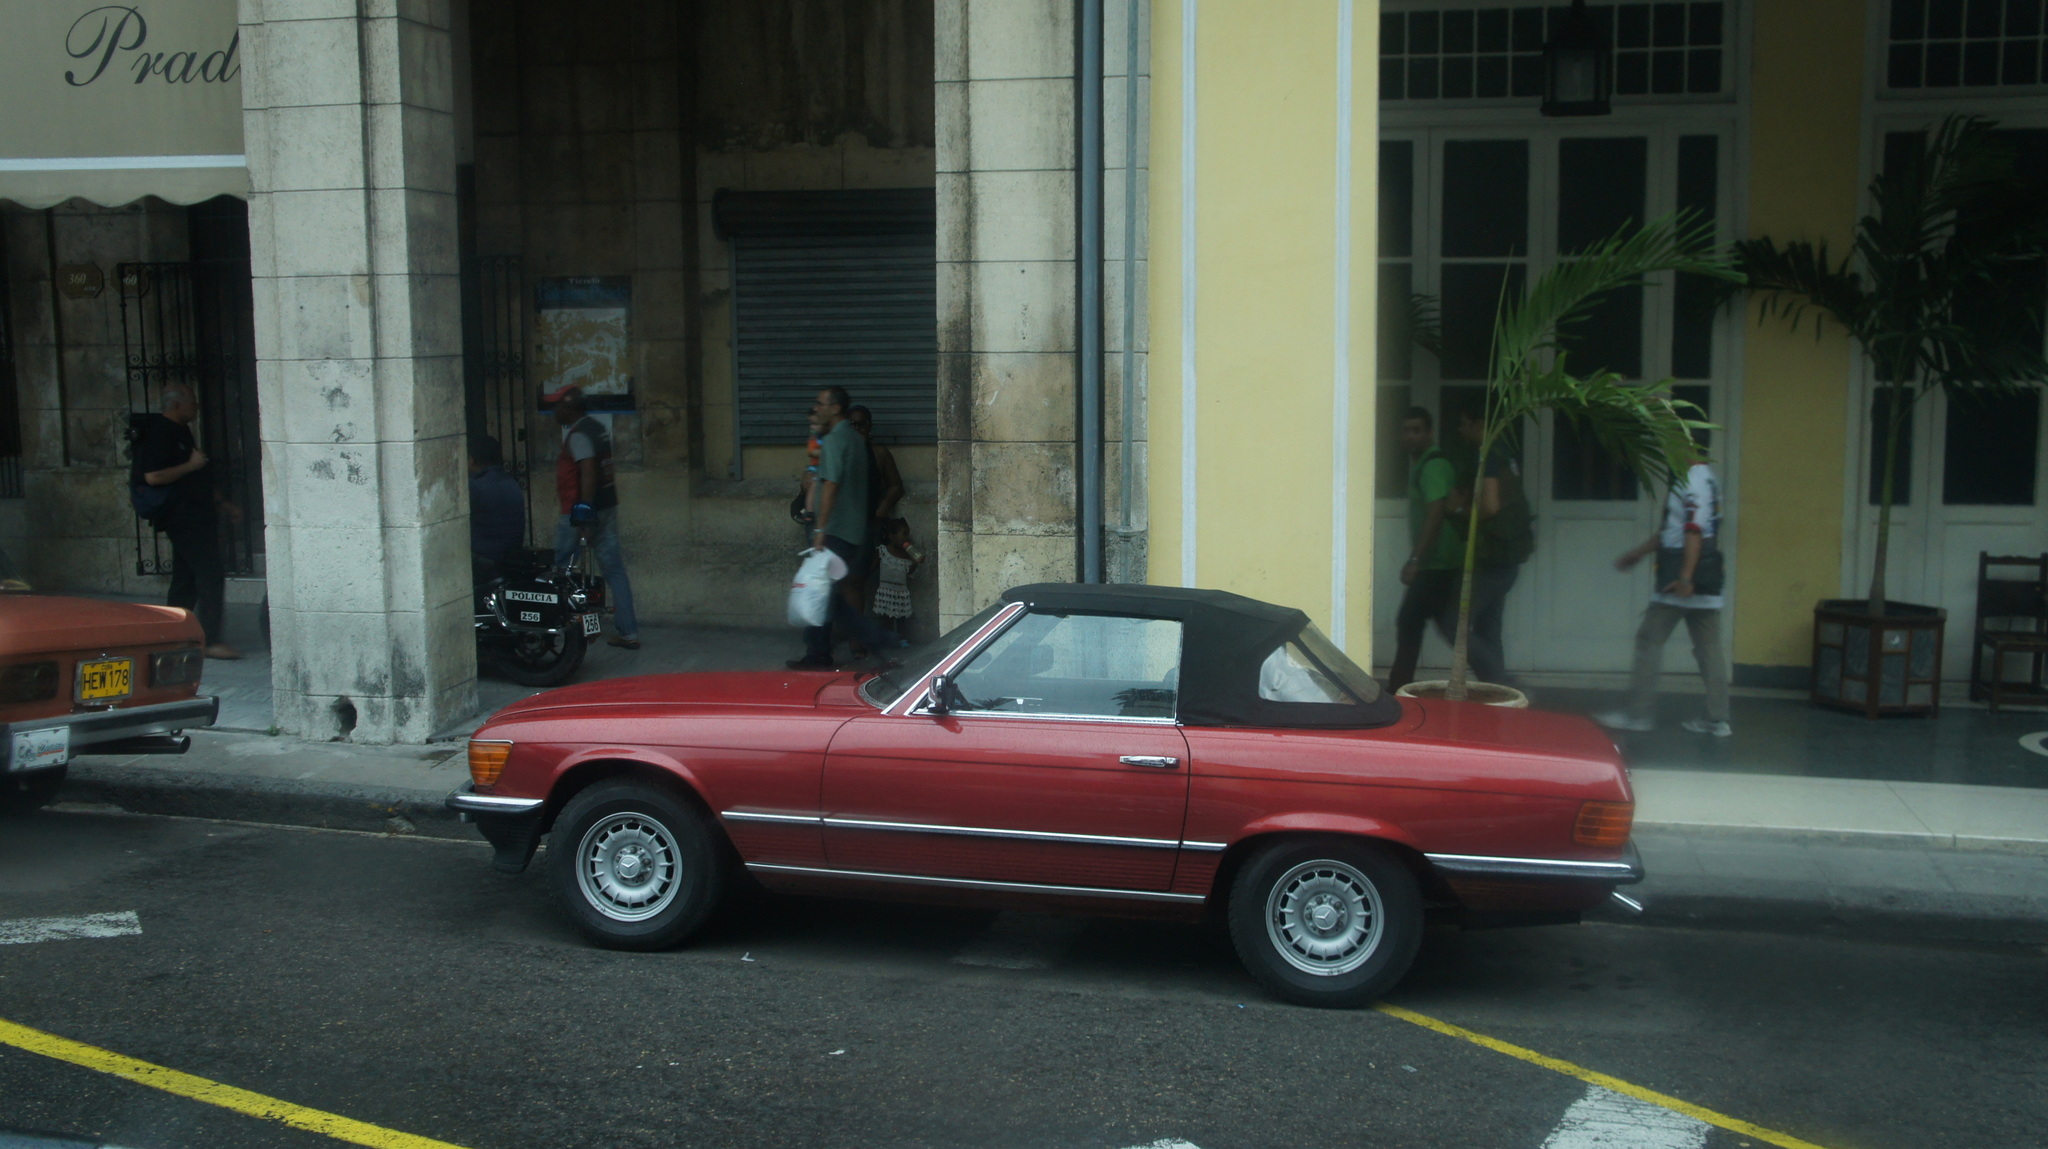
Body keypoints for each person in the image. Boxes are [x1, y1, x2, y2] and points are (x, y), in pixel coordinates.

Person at [1595, 451, 1731, 737]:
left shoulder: (1690, 483)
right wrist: (1638, 553)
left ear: (1689, 447)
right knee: (1709, 649)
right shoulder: (1708, 480)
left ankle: (1638, 714)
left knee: (1648, 640)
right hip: (1706, 578)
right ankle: (1717, 718)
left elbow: (1693, 532)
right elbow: (1675, 530)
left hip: (1680, 579)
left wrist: (1685, 578)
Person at [789, 386, 898, 669]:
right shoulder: (852, 439)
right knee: (826, 595)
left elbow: (832, 485)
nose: (818, 408)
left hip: (836, 530)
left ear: (835, 408)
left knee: (820, 592)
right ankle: (824, 651)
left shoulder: (837, 440)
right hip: (852, 530)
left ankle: (870, 640)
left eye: (821, 404)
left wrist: (821, 529)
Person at [131, 383, 241, 660]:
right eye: (192, 401)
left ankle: (172, 636)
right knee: (210, 574)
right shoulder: (160, 434)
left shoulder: (181, 431)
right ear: (177, 404)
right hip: (183, 515)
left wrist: (223, 504)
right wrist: (190, 466)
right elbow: (153, 477)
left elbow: (197, 476)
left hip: (195, 512)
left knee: (185, 579)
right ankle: (209, 640)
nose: (196, 406)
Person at [1446, 403, 1535, 687]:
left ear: (1479, 423)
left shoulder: (1491, 455)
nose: (1460, 430)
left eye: (1463, 423)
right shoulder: (1504, 451)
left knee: (1452, 623)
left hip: (1494, 555)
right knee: (1488, 626)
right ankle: (1498, 693)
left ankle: (1503, 682)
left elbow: (1491, 506)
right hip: (1505, 555)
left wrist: (1460, 512)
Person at [546, 385, 639, 650]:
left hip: (579, 514)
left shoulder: (579, 435)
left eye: (557, 406)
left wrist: (583, 513)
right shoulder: (597, 428)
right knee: (615, 571)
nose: (554, 411)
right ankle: (628, 632)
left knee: (561, 571)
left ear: (570, 407)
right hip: (607, 508)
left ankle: (553, 629)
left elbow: (588, 472)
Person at [1388, 406, 1460, 691]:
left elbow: (1435, 512)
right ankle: (1496, 674)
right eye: (1406, 430)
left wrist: (1415, 558)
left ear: (1430, 433)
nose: (1410, 436)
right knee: (1448, 627)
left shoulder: (1432, 465)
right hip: (1435, 562)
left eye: (1417, 430)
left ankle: (1397, 690)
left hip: (1437, 562)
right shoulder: (1422, 465)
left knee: (1409, 622)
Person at [468, 434, 526, 581]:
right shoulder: (510, 482)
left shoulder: (476, 486)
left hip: (487, 556)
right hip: (510, 551)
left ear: (472, 459)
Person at [871, 517, 923, 636]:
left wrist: (915, 563)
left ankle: (902, 639)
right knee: (885, 618)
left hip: (901, 592)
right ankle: (887, 638)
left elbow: (909, 573)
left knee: (902, 618)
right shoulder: (882, 551)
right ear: (891, 536)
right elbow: (873, 567)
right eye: (904, 534)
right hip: (885, 590)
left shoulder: (906, 556)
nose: (906, 538)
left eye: (907, 534)